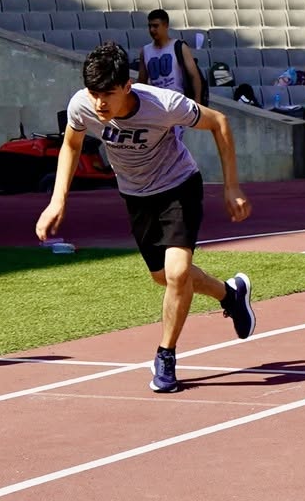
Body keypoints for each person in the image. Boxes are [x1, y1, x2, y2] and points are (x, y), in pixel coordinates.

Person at [37, 41, 254, 393]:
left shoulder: (163, 104)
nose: (99, 103)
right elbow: (72, 145)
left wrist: (232, 187)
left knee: (178, 272)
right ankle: (230, 295)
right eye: (94, 93)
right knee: (164, 279)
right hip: (136, 196)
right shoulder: (82, 106)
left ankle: (165, 357)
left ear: (127, 86)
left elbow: (220, 122)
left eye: (107, 93)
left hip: (178, 185)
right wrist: (57, 200)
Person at [138, 8, 205, 103]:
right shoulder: (145, 51)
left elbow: (194, 76)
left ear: (165, 25)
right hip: (157, 103)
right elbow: (142, 81)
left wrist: (197, 100)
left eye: (155, 26)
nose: (152, 30)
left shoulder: (179, 46)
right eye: (150, 26)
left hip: (178, 102)